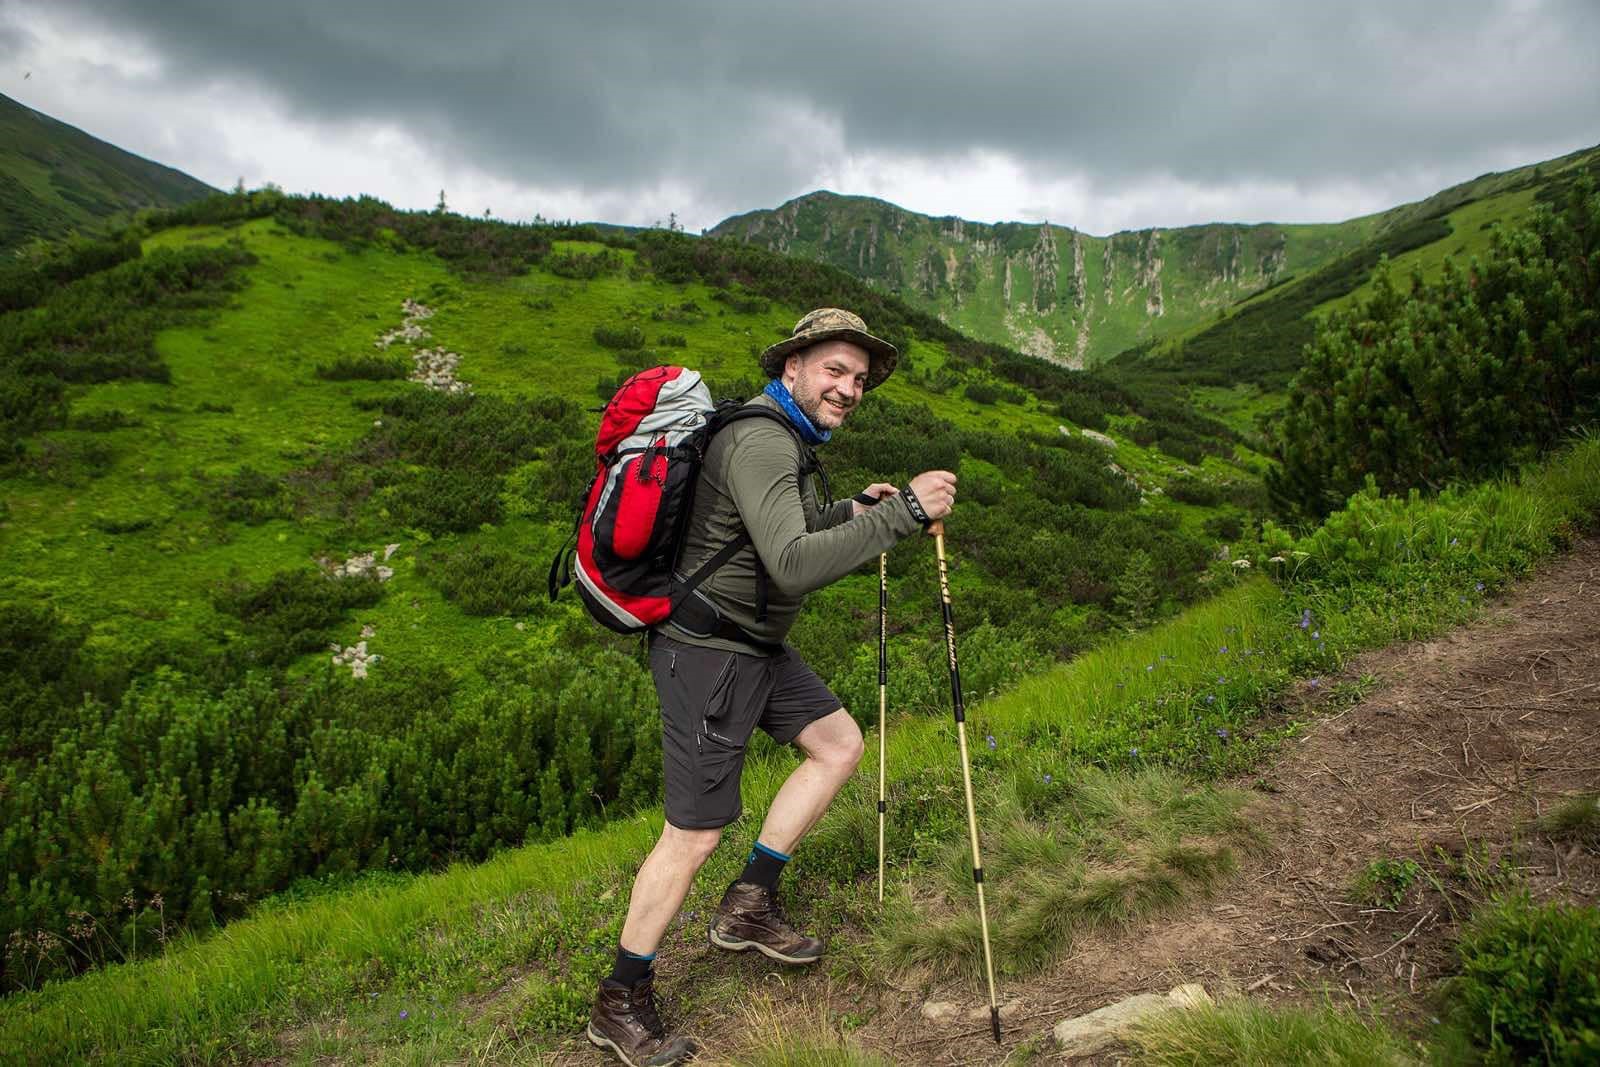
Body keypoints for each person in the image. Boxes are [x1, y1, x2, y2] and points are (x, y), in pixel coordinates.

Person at [586, 307, 958, 1066]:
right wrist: (907, 514)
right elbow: (790, 563)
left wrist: (852, 511)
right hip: (710, 653)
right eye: (834, 369)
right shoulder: (761, 437)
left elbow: (764, 532)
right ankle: (619, 1000)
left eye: (859, 378)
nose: (850, 388)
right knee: (693, 832)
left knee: (837, 743)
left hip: (753, 644)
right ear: (792, 366)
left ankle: (750, 902)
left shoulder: (781, 436)